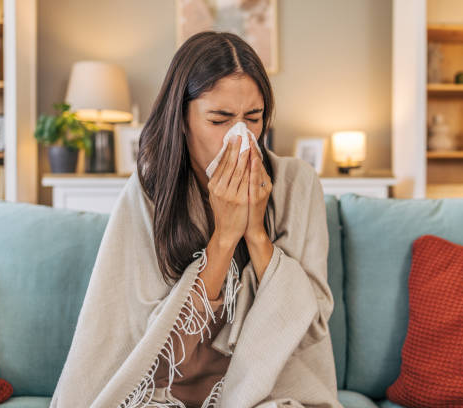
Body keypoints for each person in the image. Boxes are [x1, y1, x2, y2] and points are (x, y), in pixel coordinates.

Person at [50, 31, 341, 408]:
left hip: (263, 391)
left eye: (253, 118)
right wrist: (224, 237)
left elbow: (310, 324)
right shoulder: (149, 190)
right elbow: (146, 347)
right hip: (161, 393)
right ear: (182, 119)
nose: (240, 136)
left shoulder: (297, 184)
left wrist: (254, 231)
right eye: (219, 119)